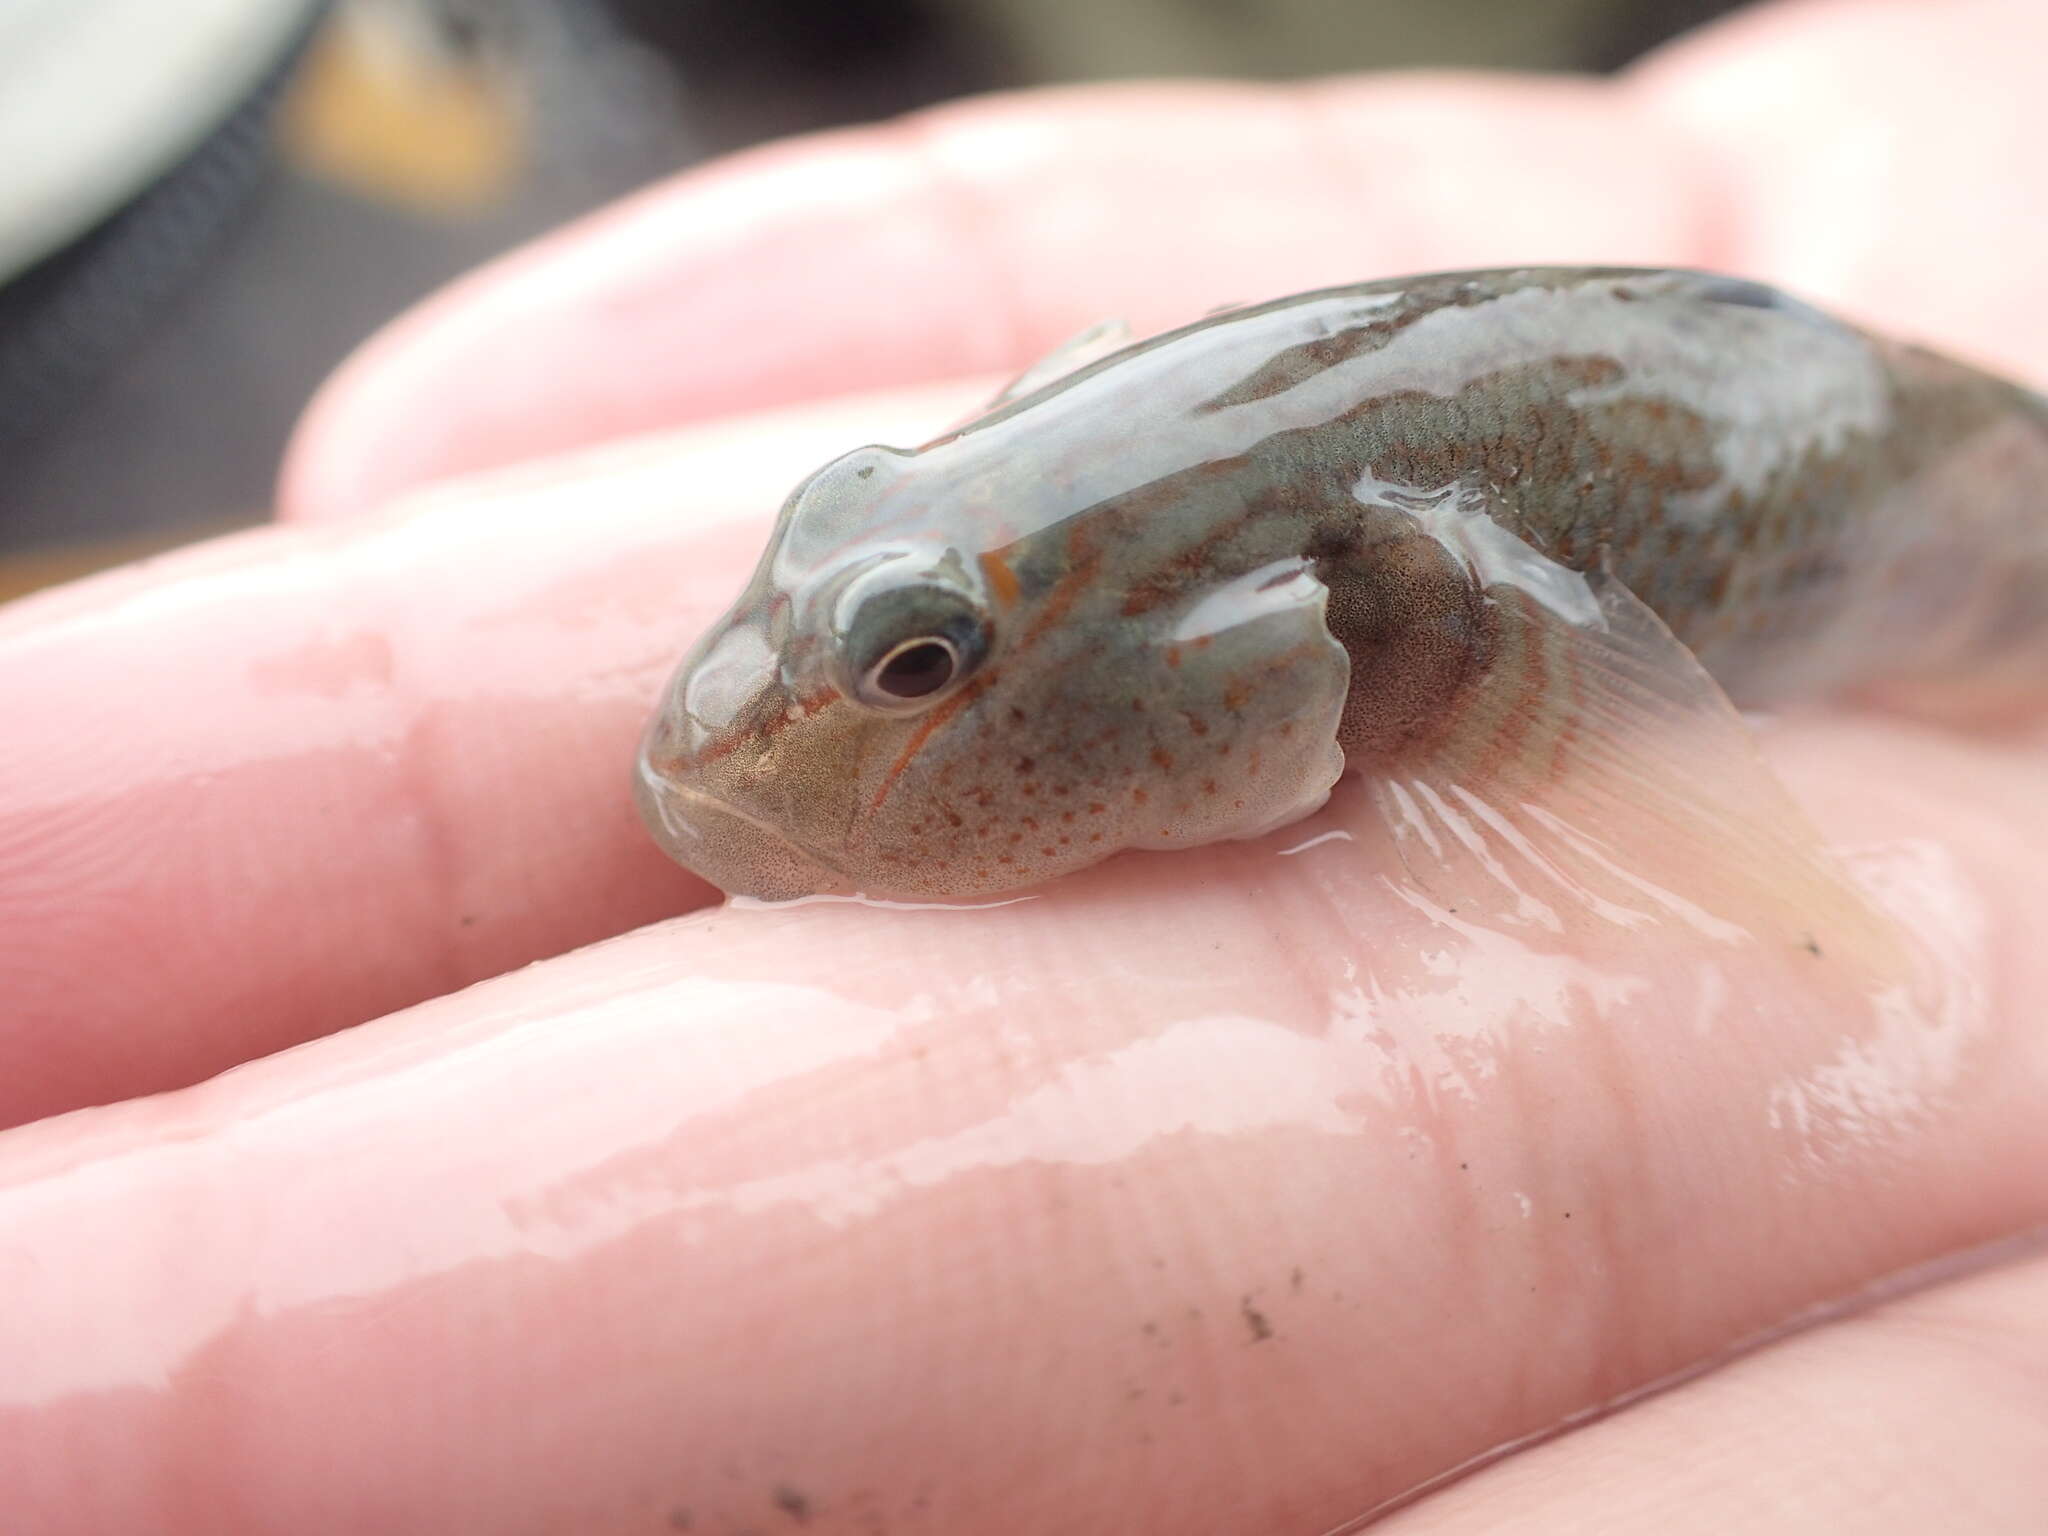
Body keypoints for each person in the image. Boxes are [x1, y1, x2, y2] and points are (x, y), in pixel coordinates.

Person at [2, 0, 2044, 1529]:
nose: (752, 745)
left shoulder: (1425, 609)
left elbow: (1727, 880)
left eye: (911, 668)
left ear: (1365, 631)